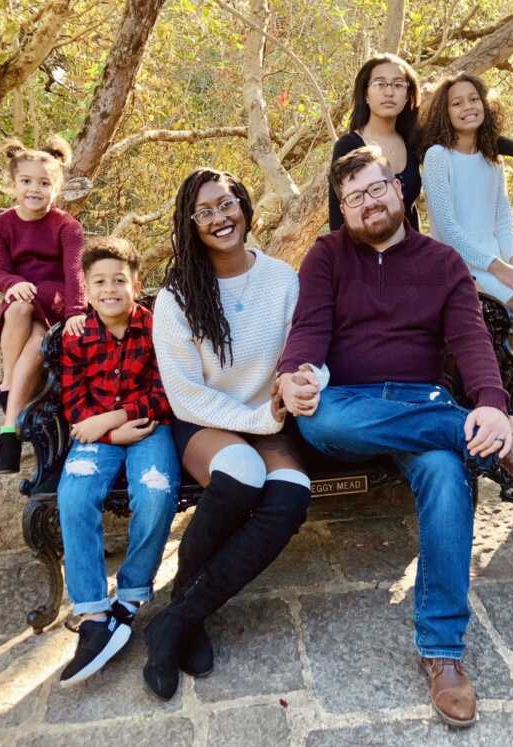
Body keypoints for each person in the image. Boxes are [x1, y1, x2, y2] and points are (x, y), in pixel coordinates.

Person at [279, 146, 513, 728]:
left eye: (375, 189)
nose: (367, 203)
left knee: (445, 476)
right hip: (348, 408)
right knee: (319, 418)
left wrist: (492, 403)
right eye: (353, 198)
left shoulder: (441, 262)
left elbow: (473, 342)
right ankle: (508, 446)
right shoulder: (327, 256)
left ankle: (443, 652)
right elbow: (308, 330)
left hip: (421, 404)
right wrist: (295, 375)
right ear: (343, 209)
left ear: (400, 191)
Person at [147, 168, 322, 701]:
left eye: (226, 204)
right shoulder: (177, 296)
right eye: (205, 212)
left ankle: (179, 616)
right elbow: (186, 395)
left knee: (291, 497)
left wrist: (297, 388)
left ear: (244, 207)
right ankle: (187, 615)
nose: (219, 218)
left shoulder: (282, 279)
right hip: (205, 419)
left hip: (267, 414)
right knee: (241, 474)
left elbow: (306, 350)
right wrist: (262, 420)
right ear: (191, 224)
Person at [57, 237, 180, 687]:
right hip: (97, 434)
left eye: (119, 281)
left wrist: (120, 416)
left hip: (150, 427)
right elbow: (73, 405)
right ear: (86, 289)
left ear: (136, 284)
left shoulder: (155, 327)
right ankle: (92, 613)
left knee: (154, 492)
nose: (110, 290)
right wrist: (109, 432)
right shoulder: (78, 336)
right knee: (74, 496)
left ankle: (129, 596)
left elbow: (168, 392)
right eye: (99, 282)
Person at [421, 72, 513, 364]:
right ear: (445, 113)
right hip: (460, 263)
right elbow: (447, 229)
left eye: (473, 99)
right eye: (457, 103)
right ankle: (501, 386)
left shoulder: (492, 159)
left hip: (497, 262)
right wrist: (499, 269)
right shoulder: (437, 157)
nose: (467, 107)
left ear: (485, 104)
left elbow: (503, 220)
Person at [328, 53, 513, 231]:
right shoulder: (348, 147)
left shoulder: (416, 140)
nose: (389, 92)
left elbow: (467, 137)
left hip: (412, 256)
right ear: (366, 94)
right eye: (380, 84)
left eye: (398, 84)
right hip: (365, 263)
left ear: (407, 95)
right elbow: (339, 222)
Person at [0, 136, 87, 474]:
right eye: (26, 182)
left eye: (44, 183)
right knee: (19, 309)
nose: (35, 189)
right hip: (21, 302)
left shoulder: (67, 226)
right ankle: (8, 384)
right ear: (13, 184)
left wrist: (76, 312)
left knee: (38, 336)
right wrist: (14, 284)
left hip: (55, 299)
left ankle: (8, 423)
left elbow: (75, 273)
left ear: (56, 188)